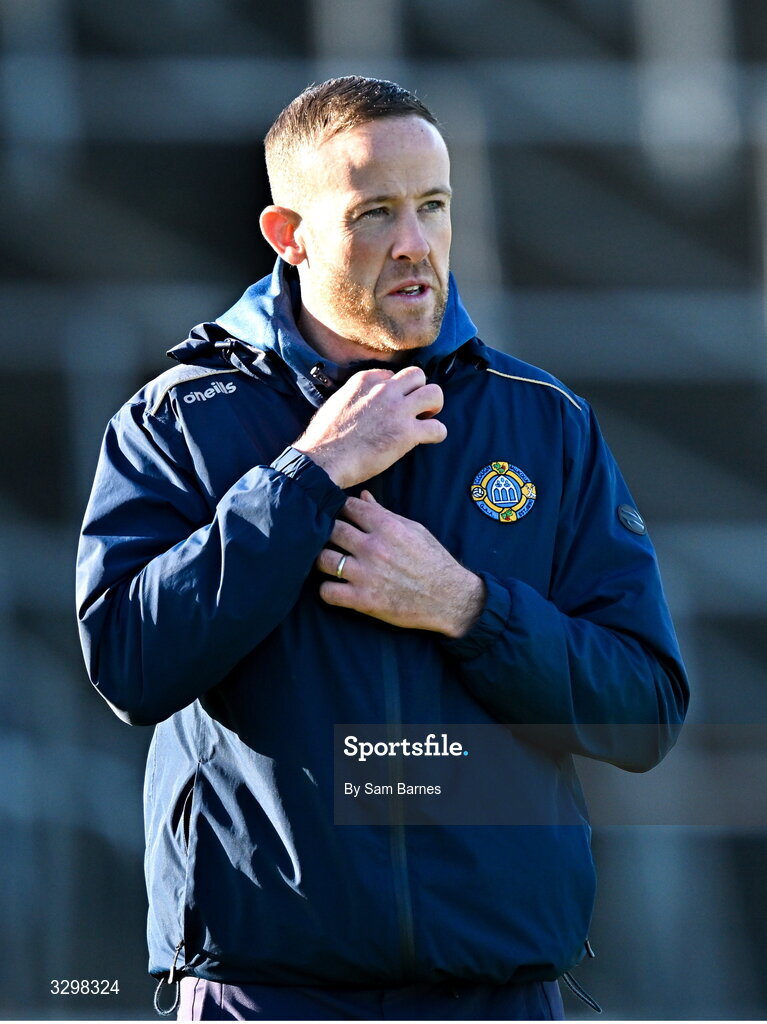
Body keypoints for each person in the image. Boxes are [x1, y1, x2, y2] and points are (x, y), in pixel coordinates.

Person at [76, 76, 689, 1021]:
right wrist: (306, 478)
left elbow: (643, 712)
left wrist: (467, 608)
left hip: (499, 991)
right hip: (266, 992)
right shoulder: (176, 423)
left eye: (433, 206)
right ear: (290, 236)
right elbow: (127, 665)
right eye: (373, 214)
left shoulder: (545, 424)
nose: (414, 244)